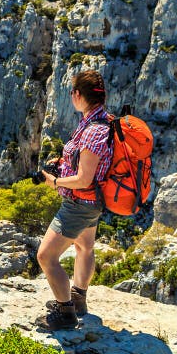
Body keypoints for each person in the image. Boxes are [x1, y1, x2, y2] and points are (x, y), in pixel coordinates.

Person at [36, 70, 113, 330]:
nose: (71, 97)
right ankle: (78, 298)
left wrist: (55, 181)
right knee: (85, 247)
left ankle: (65, 313)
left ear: (78, 95)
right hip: (91, 203)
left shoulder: (94, 131)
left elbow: (84, 179)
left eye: (72, 92)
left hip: (79, 204)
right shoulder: (97, 121)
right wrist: (63, 162)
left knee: (46, 256)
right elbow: (86, 163)